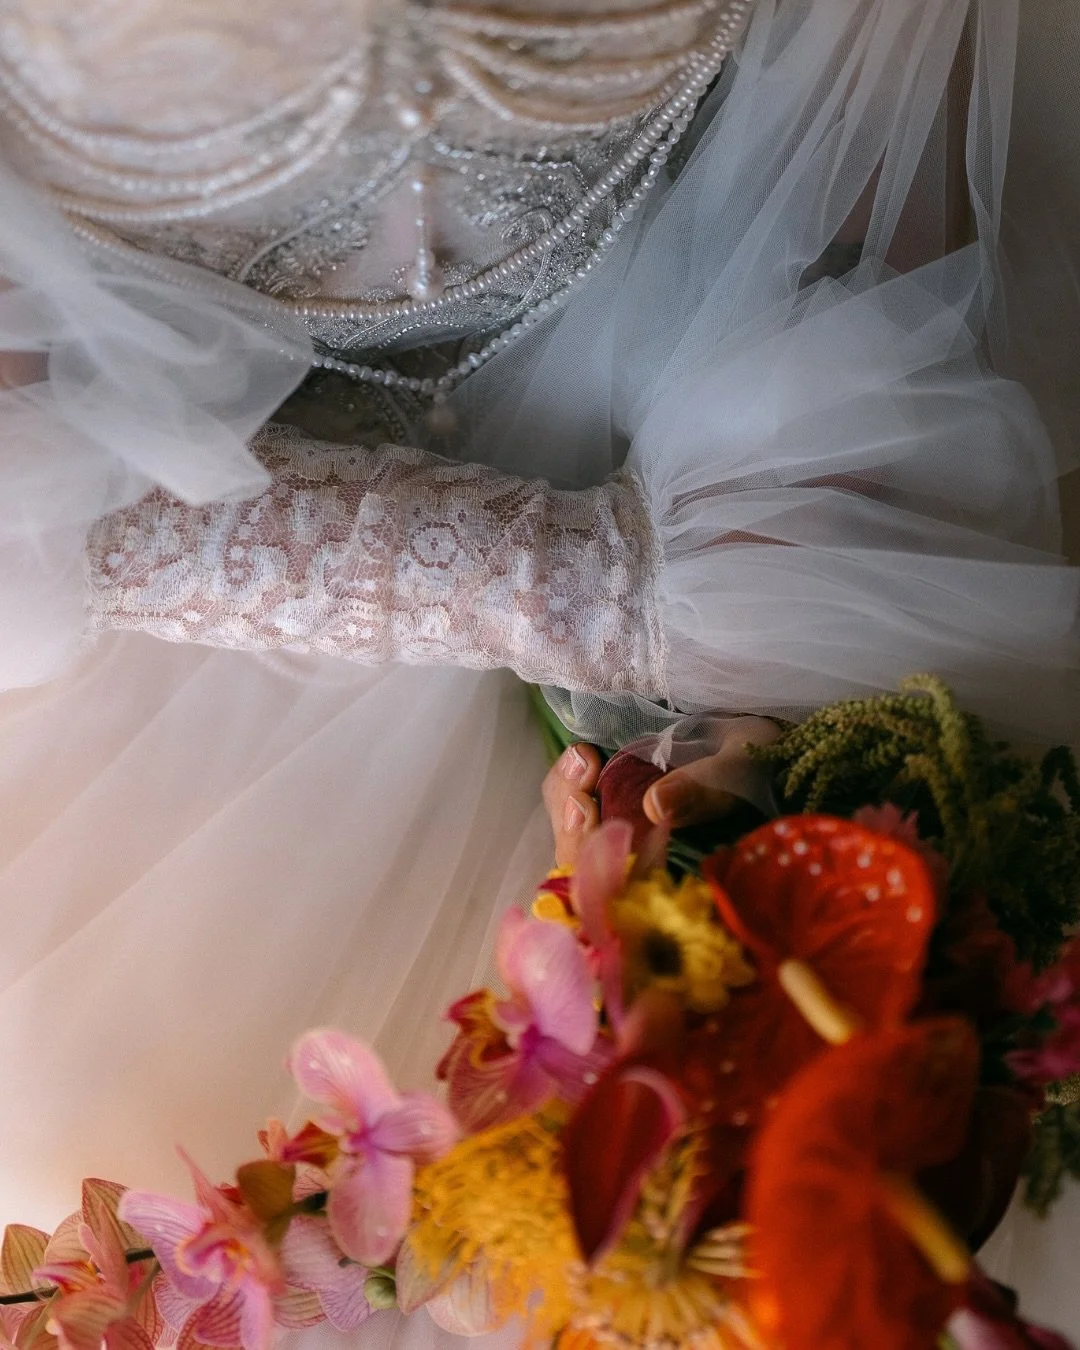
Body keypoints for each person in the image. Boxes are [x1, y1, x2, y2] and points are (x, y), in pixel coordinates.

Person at [0, 0, 1076, 1344]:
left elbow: (879, 193)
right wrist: (593, 589)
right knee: (108, 1133)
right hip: (158, 585)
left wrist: (741, 725)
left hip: (711, 431)